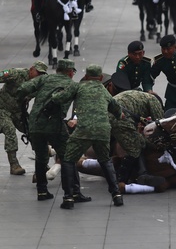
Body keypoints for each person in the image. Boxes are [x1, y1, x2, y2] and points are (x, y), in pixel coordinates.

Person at [51, 64, 124, 209]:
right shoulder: (104, 91)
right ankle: (116, 195)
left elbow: (59, 98)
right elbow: (117, 111)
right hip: (102, 131)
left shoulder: (78, 87)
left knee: (68, 159)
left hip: (82, 131)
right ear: (101, 78)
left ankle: (68, 197)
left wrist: (53, 94)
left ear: (85, 76)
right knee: (105, 161)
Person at [17, 59, 90, 204]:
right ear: (70, 72)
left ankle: (42, 191)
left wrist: (23, 100)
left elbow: (22, 89)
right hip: (54, 124)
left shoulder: (45, 78)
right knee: (68, 156)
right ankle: (74, 192)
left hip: (35, 123)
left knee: (41, 156)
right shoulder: (72, 85)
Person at [0, 61, 48, 175]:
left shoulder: (39, 83)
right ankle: (14, 165)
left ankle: (42, 163)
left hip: (19, 112)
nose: (39, 76)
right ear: (31, 70)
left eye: (42, 74)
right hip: (2, 109)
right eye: (38, 72)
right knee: (10, 130)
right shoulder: (15, 74)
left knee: (34, 132)